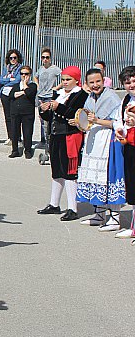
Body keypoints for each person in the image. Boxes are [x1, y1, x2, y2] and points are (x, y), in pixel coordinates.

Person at [76, 68, 125, 232]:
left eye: (98, 81)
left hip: (107, 140)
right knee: (95, 176)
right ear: (87, 84)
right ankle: (99, 213)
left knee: (109, 176)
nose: (95, 85)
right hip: (93, 140)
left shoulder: (112, 98)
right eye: (92, 82)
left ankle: (115, 217)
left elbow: (117, 123)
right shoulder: (90, 98)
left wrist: (97, 120)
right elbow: (86, 117)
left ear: (103, 81)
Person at [37, 66, 88, 221]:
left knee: (69, 171)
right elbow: (49, 117)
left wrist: (58, 107)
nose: (65, 83)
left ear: (76, 80)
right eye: (63, 79)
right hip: (56, 135)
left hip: (70, 135)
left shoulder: (80, 94)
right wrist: (43, 109)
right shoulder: (57, 94)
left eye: (68, 80)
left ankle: (73, 207)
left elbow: (75, 113)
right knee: (57, 169)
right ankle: (54, 203)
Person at [113, 66, 135, 238]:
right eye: (128, 82)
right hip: (129, 146)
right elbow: (118, 120)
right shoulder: (126, 99)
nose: (131, 85)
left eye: (134, 81)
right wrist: (120, 129)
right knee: (132, 184)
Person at [8, 66, 37, 159]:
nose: (24, 75)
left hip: (27, 113)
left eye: (26, 74)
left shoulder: (32, 86)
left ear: (30, 75)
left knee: (27, 132)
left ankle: (28, 150)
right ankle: (15, 150)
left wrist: (25, 85)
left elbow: (29, 93)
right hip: (15, 112)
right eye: (22, 74)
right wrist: (22, 92)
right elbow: (11, 95)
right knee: (14, 132)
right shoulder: (16, 86)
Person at [34, 48, 62, 146]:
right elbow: (35, 76)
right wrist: (37, 86)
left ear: (50, 59)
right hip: (40, 96)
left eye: (47, 57)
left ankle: (50, 139)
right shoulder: (41, 68)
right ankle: (43, 140)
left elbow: (63, 76)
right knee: (41, 119)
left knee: (49, 118)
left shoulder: (54, 68)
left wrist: (57, 87)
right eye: (43, 57)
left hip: (49, 96)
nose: (45, 59)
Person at [0, 49, 23, 144]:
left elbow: (17, 80)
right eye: (10, 58)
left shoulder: (20, 68)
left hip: (14, 93)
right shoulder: (6, 68)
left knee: (15, 116)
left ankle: (18, 137)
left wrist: (7, 80)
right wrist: (9, 80)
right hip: (4, 94)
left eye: (14, 58)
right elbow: (0, 80)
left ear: (18, 58)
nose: (12, 60)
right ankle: (10, 136)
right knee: (7, 116)